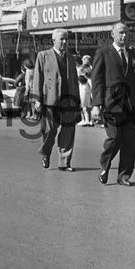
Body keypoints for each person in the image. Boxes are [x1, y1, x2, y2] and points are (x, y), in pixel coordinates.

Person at [91, 22, 135, 188]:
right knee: (114, 138)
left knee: (130, 141)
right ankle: (104, 166)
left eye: (127, 33)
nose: (124, 36)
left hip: (132, 106)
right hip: (111, 104)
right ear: (112, 34)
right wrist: (96, 105)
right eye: (121, 33)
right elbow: (97, 80)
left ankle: (124, 175)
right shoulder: (103, 53)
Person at [32, 28, 80, 170]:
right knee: (49, 130)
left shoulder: (71, 58)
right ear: (54, 40)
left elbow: (74, 81)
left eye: (66, 39)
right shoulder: (43, 56)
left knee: (68, 131)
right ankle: (45, 153)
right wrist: (37, 99)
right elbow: (38, 78)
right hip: (50, 100)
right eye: (62, 39)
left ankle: (64, 163)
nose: (65, 42)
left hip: (68, 100)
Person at [78, 55, 94, 126]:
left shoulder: (83, 68)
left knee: (84, 104)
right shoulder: (91, 67)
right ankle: (90, 120)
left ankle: (85, 120)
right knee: (89, 104)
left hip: (84, 86)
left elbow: (86, 77)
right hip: (88, 87)